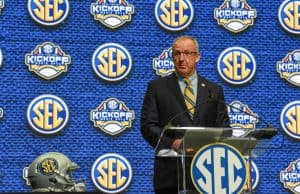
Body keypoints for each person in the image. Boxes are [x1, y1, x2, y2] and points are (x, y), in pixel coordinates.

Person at [140, 35, 230, 194]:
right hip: (170, 174)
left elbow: (224, 128)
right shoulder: (157, 88)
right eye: (177, 53)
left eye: (187, 53)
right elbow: (148, 126)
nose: (181, 58)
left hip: (208, 173)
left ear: (197, 57)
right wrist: (172, 143)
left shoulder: (213, 90)